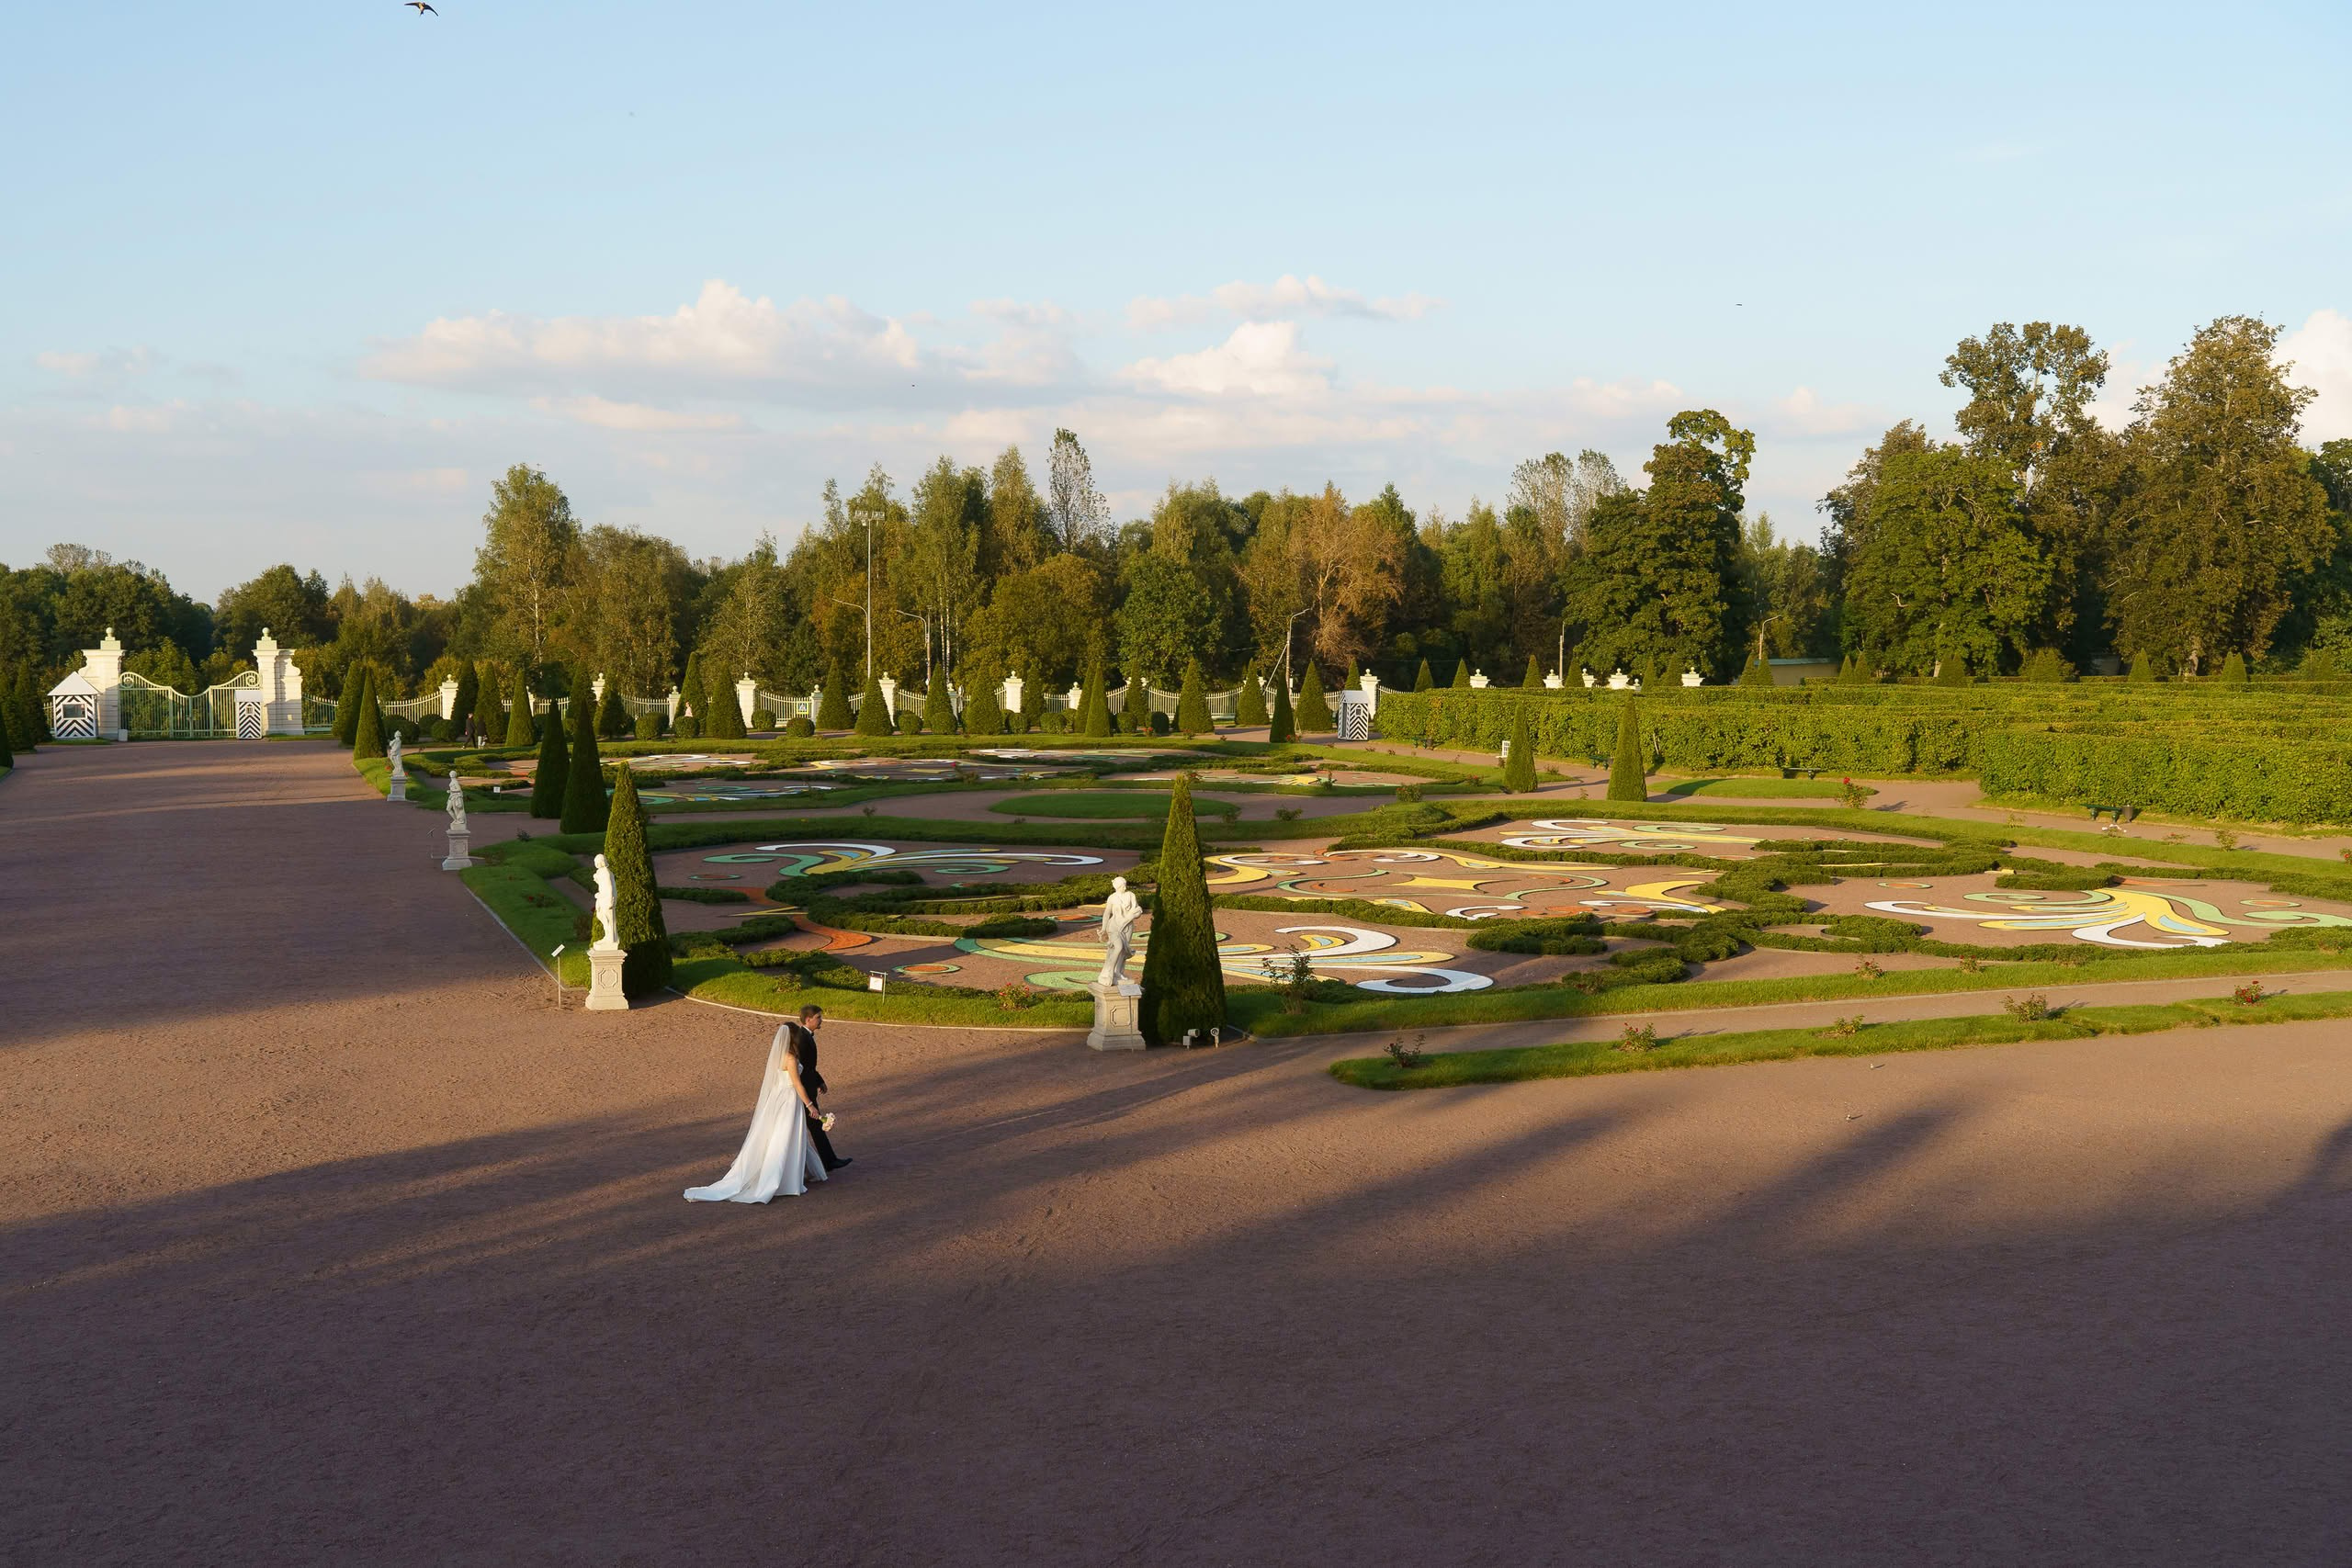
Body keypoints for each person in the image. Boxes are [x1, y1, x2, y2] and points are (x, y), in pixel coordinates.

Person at [683, 1017, 831, 1203]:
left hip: (779, 1098)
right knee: (784, 1137)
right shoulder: (791, 1058)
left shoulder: (779, 1056)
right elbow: (797, 1084)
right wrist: (810, 1106)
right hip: (789, 1100)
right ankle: (783, 1178)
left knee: (779, 1135)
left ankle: (792, 1174)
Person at [786, 1004, 850, 1172]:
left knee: (814, 1127)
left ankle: (828, 1161)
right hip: (804, 1091)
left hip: (808, 1087)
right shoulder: (802, 1038)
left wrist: (819, 1081)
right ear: (808, 1020)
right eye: (818, 1017)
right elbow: (804, 1068)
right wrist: (810, 1096)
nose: (821, 1020)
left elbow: (808, 1066)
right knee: (814, 1126)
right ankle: (828, 1162)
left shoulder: (806, 1036)